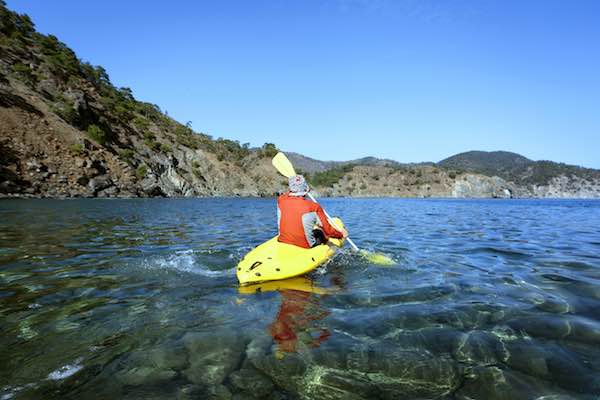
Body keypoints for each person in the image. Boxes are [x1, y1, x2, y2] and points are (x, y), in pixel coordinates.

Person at [277, 175, 347, 248]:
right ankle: (328, 247)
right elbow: (328, 231)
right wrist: (341, 235)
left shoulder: (281, 200)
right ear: (305, 189)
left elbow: (286, 195)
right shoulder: (314, 207)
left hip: (283, 240)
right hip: (305, 245)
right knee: (319, 232)